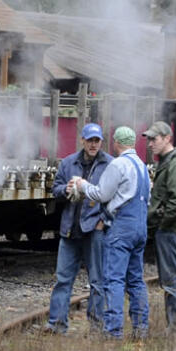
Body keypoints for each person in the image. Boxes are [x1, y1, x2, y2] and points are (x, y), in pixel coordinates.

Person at [71, 125, 150, 339]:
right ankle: (141, 328)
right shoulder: (142, 166)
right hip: (141, 226)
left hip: (122, 228)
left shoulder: (119, 164)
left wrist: (82, 184)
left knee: (113, 279)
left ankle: (113, 331)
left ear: (116, 143)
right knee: (136, 280)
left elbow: (102, 194)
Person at [45, 122, 112, 333]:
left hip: (94, 230)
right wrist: (65, 190)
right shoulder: (68, 163)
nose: (93, 145)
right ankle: (56, 324)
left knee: (97, 281)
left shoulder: (110, 164)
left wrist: (104, 220)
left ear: (102, 141)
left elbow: (115, 198)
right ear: (82, 140)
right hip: (69, 230)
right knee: (63, 280)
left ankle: (96, 326)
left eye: (97, 141)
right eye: (90, 140)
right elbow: (54, 189)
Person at [145, 120, 176, 335]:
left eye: (154, 139)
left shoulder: (175, 164)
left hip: (171, 230)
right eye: (149, 139)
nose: (150, 144)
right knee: (168, 278)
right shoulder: (168, 162)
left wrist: (161, 221)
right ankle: (174, 325)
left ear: (167, 138)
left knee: (171, 278)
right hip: (168, 228)